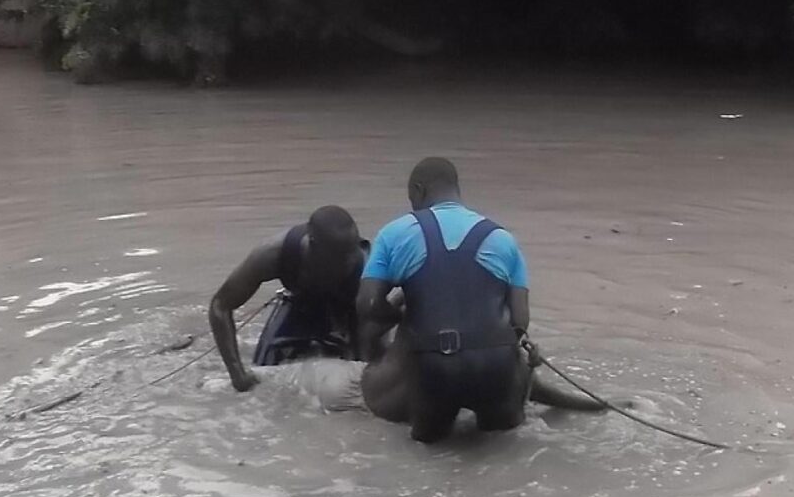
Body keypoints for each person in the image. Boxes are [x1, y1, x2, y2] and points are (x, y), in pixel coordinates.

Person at [358, 157, 584, 443]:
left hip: (434, 368)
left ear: (418, 190)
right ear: (456, 189)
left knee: (430, 452)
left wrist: (401, 317)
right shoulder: (503, 239)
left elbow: (366, 305)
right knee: (501, 448)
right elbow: (519, 321)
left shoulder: (395, 233)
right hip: (496, 366)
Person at [209, 205, 369, 392]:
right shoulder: (273, 254)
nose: (349, 262)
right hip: (300, 301)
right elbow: (220, 306)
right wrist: (237, 375)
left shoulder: (367, 269)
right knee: (263, 375)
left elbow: (374, 327)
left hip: (349, 308)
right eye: (339, 258)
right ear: (312, 244)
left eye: (351, 254)